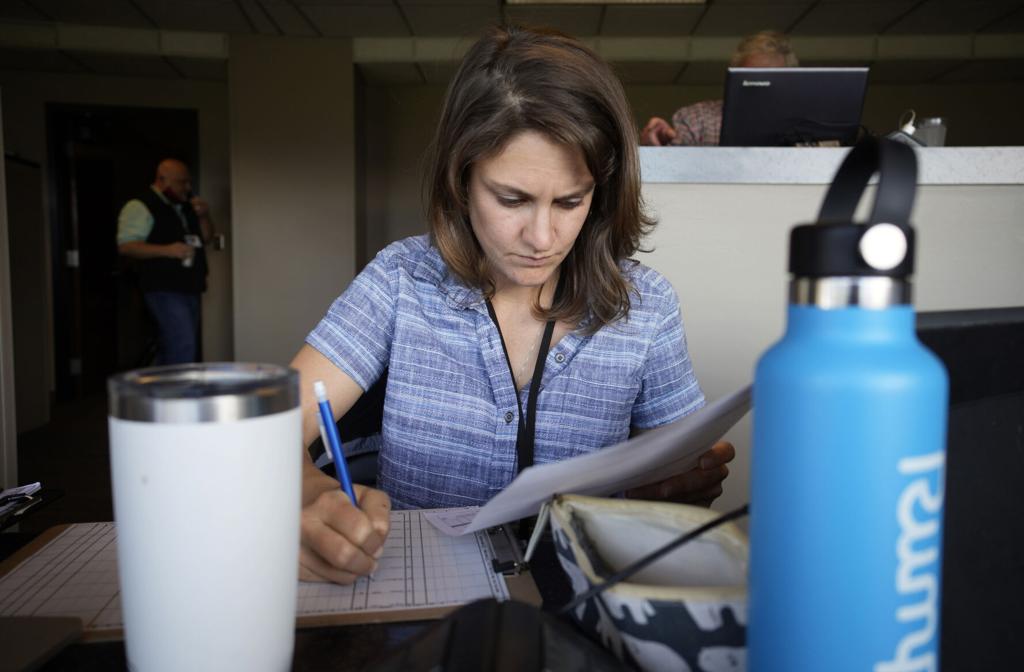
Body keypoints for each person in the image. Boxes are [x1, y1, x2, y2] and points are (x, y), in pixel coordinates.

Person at [291, 25, 736, 585]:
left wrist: (685, 485)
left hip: (584, 605)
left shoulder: (647, 306)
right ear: (461, 180)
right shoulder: (401, 278)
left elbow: (684, 471)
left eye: (570, 201)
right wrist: (305, 492)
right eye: (512, 199)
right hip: (424, 601)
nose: (542, 237)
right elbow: (267, 431)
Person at [117, 158, 213, 365]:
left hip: (190, 285)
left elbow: (205, 238)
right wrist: (168, 251)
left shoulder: (187, 205)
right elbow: (126, 246)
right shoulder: (140, 206)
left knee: (176, 344)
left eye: (188, 182)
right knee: (183, 344)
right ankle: (179, 395)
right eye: (182, 182)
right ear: (163, 180)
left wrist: (204, 216)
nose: (187, 188)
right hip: (163, 287)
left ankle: (156, 394)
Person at [639, 30, 799, 147]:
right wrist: (654, 147)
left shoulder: (804, 126)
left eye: (771, 79)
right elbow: (670, 164)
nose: (760, 87)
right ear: (733, 77)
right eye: (751, 77)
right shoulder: (696, 119)